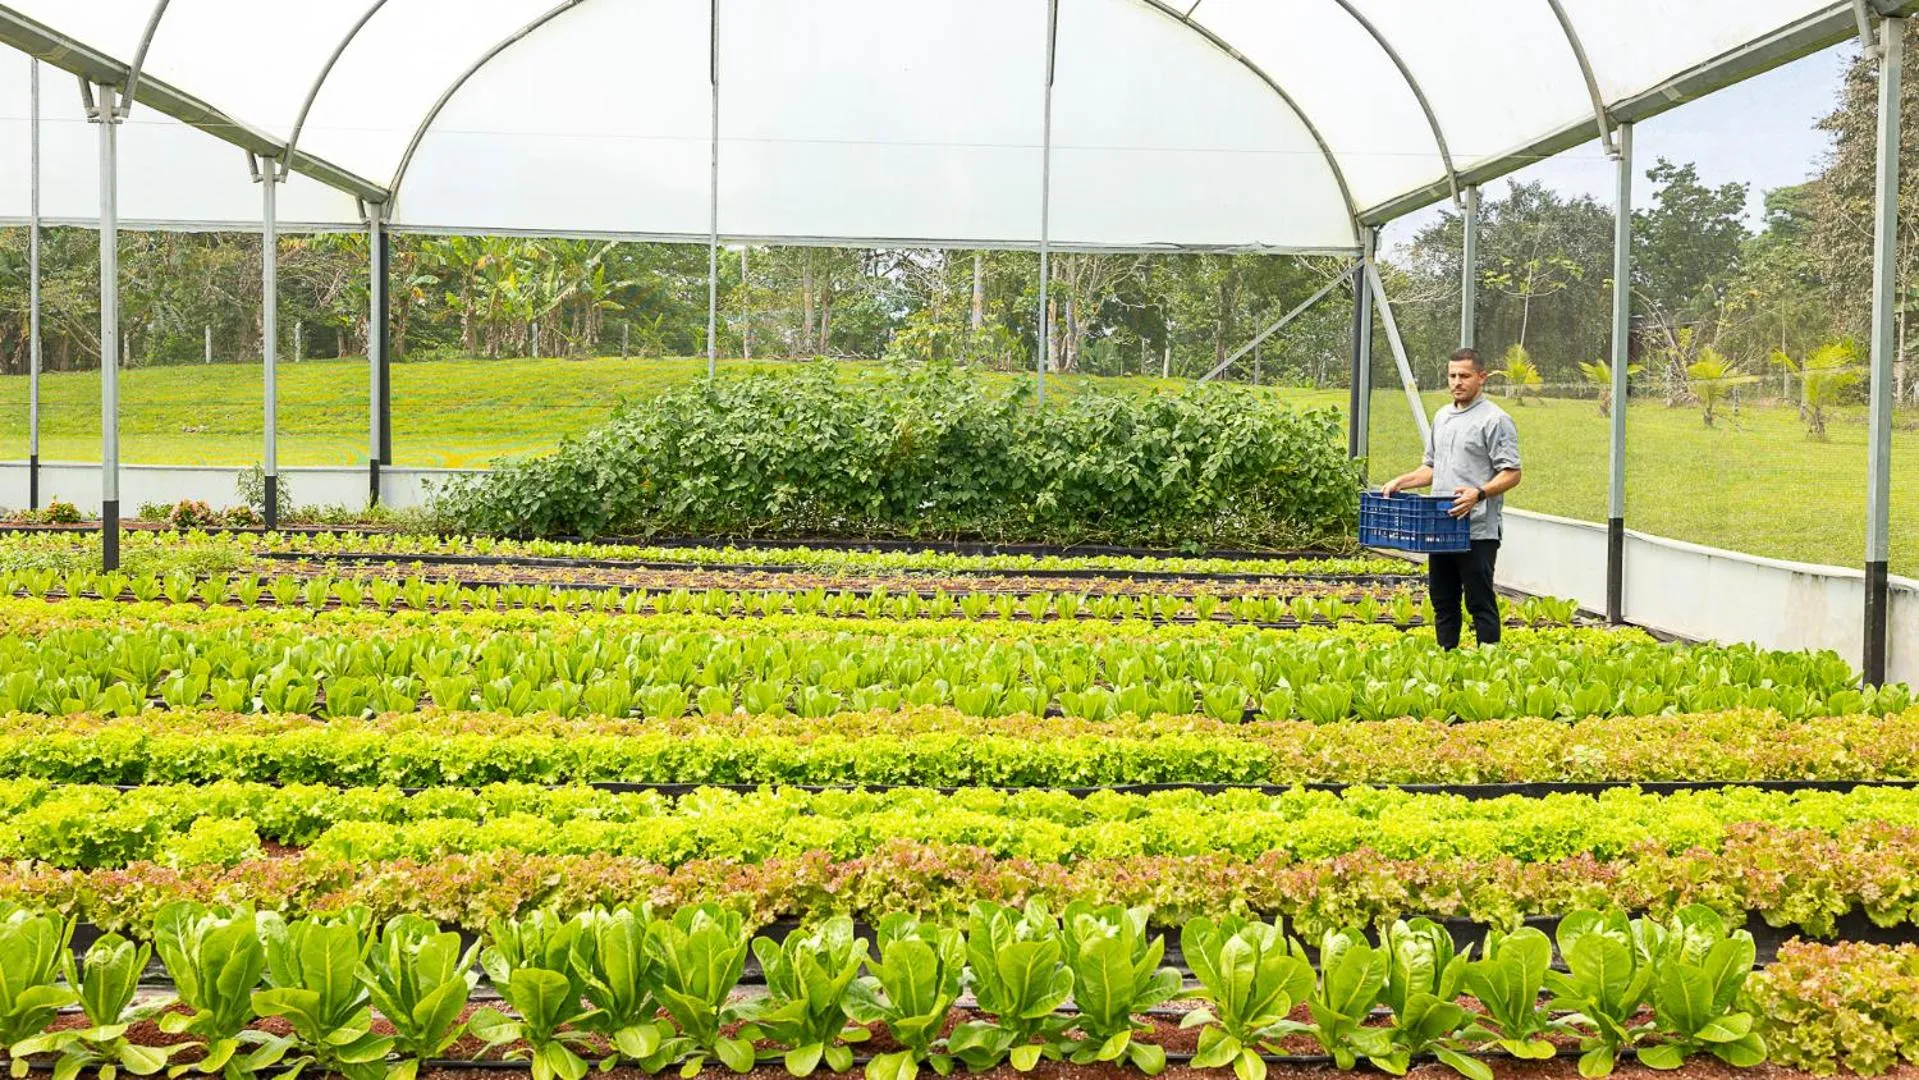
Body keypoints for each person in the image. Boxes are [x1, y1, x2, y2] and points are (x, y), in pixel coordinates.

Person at [1381, 346, 1523, 649]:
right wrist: (1401, 482)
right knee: (1443, 601)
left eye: (1464, 376)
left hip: (1477, 530)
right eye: (1452, 375)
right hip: (1440, 528)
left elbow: (1512, 472)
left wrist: (1479, 493)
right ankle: (1447, 661)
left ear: (1481, 378)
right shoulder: (1443, 417)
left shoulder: (1495, 420)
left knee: (1479, 601)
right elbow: (1431, 468)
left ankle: (1489, 666)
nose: (1457, 382)